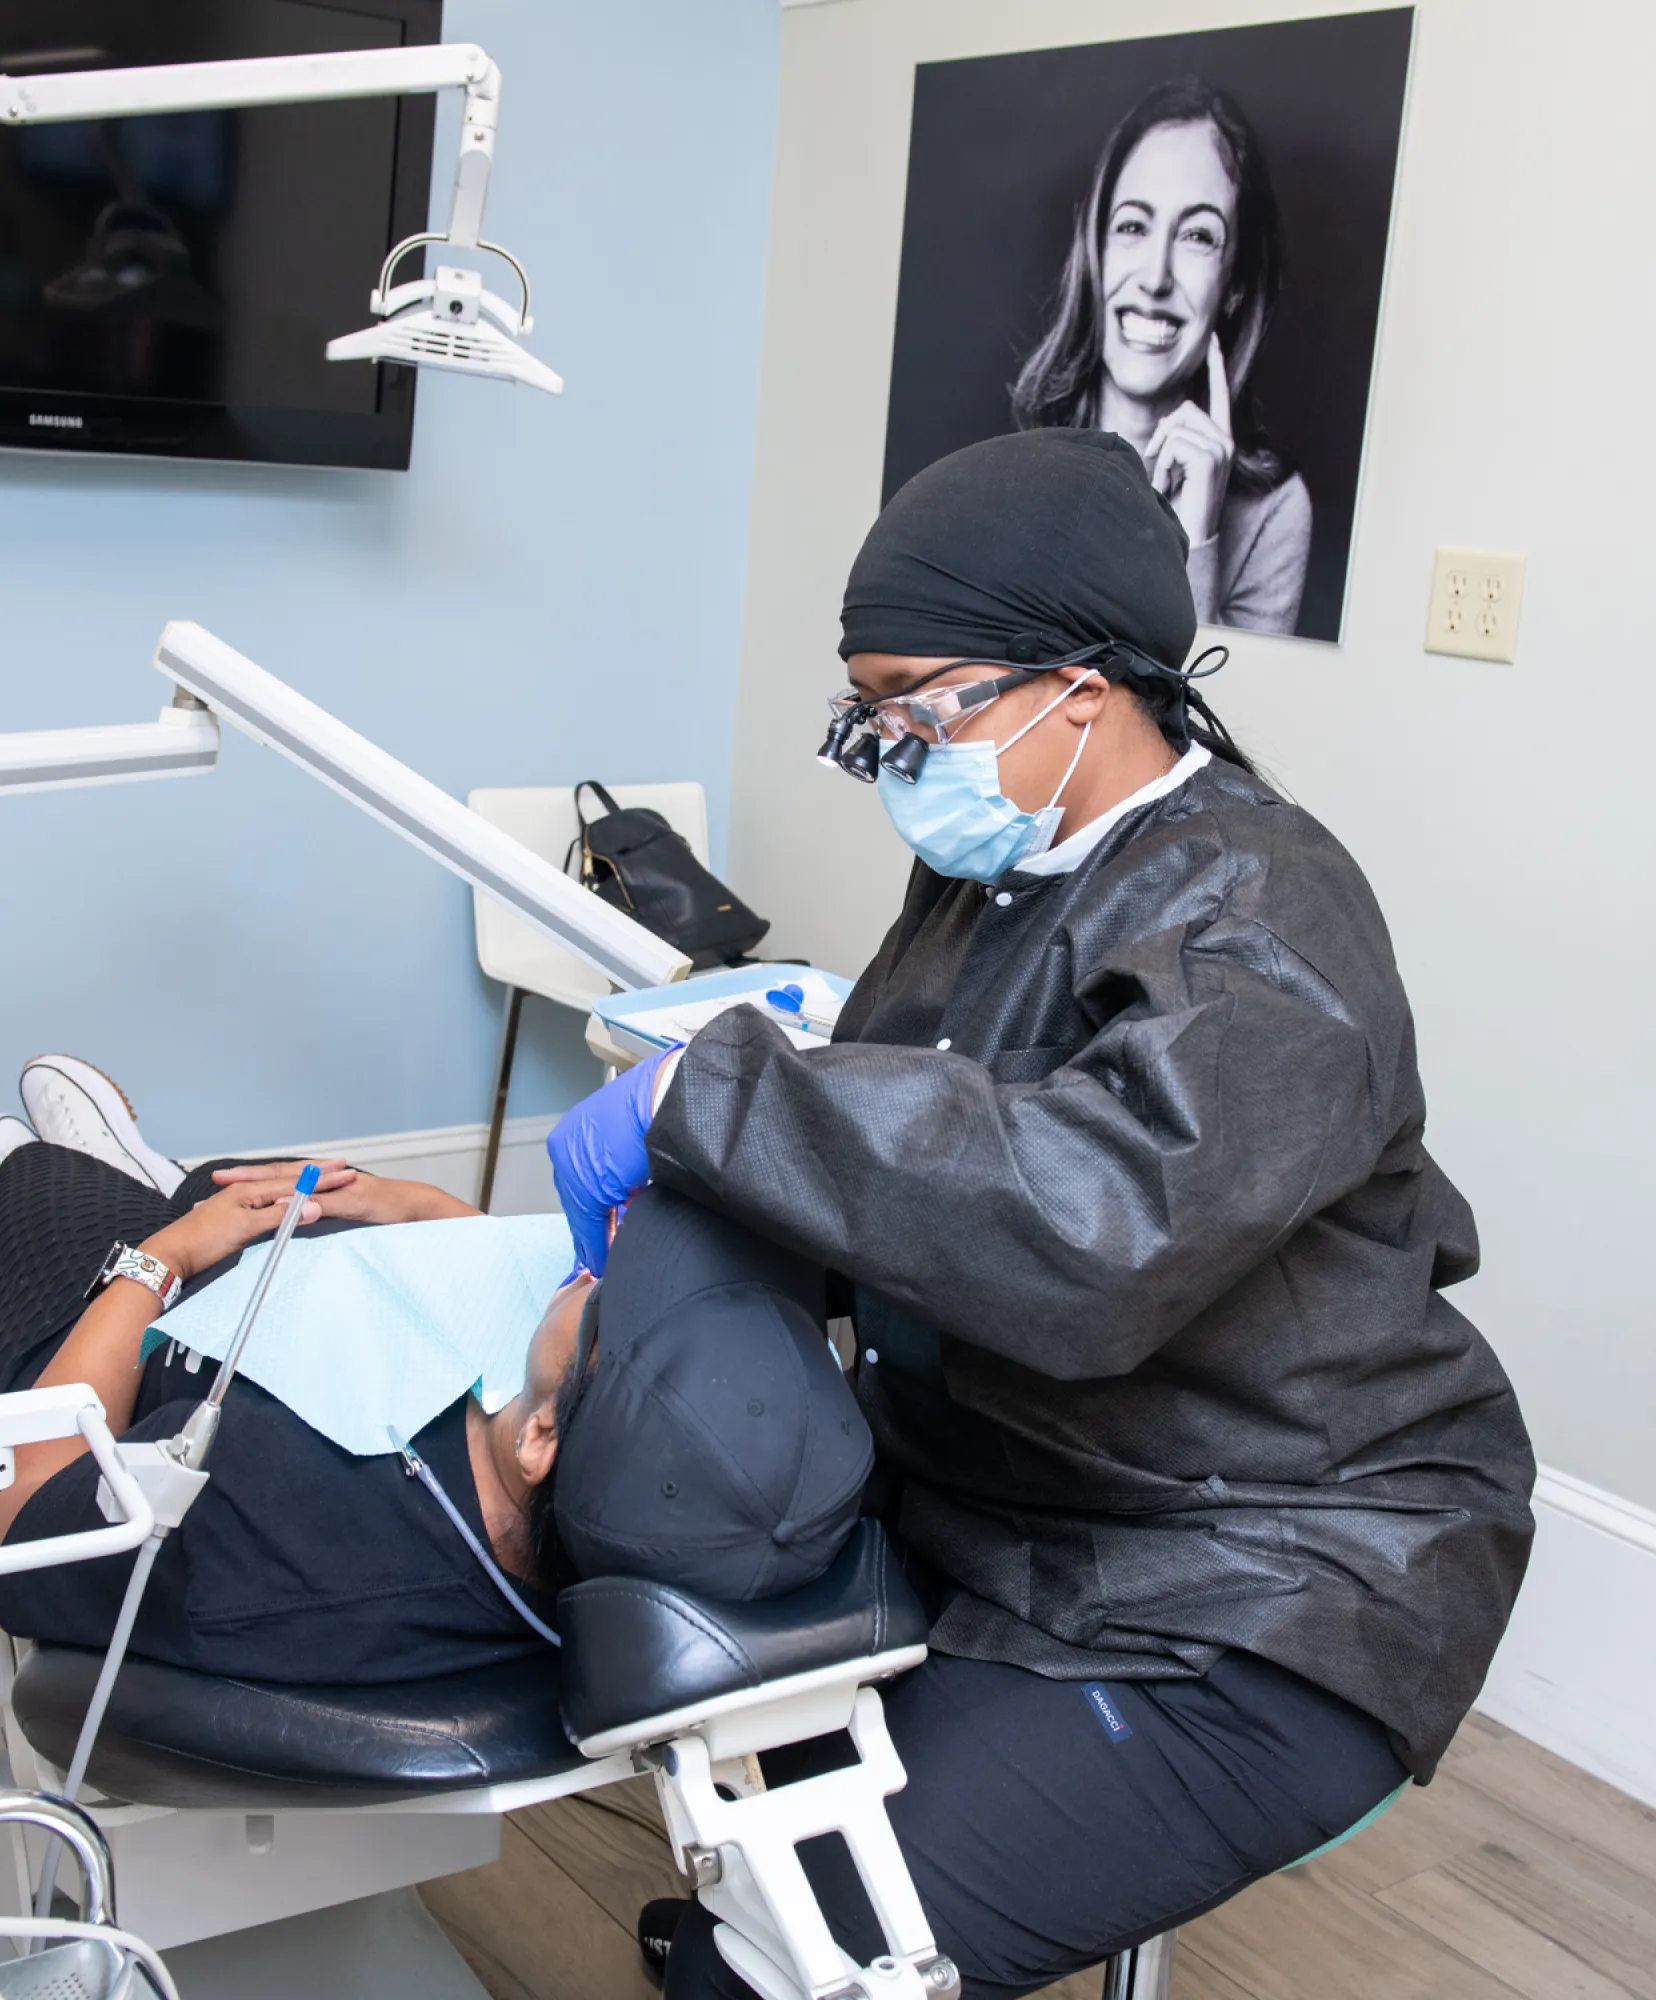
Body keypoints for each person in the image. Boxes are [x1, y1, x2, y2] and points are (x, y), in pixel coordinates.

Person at [547, 428, 1537, 1999]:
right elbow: (894, 1153)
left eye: (914, 710)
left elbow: (1089, 1230)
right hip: (1013, 1509)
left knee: (792, 1961)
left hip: (1269, 1581)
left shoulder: (1261, 921)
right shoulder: (997, 872)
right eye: (864, 713)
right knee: (600, 1654)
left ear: (1082, 694)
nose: (888, 753)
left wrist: (704, 1104)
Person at [0, 1065, 870, 1682]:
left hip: (93, 1357)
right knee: (216, 1183)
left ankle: (96, 1179)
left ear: (542, 1437)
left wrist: (161, 1259)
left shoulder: (258, 1538)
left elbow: (26, 1519)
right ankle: (148, 1179)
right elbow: (536, 1331)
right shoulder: (598, 1477)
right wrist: (419, 1213)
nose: (600, 1270)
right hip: (256, 1293)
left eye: (616, 1295)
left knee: (38, 1180)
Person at [1011, 77, 1312, 635]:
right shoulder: (1013, 461)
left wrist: (1197, 539)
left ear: (1236, 281)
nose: (1155, 277)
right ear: (1097, 249)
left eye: (1197, 236)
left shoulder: (1275, 510)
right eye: (1132, 226)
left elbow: (1218, 718)